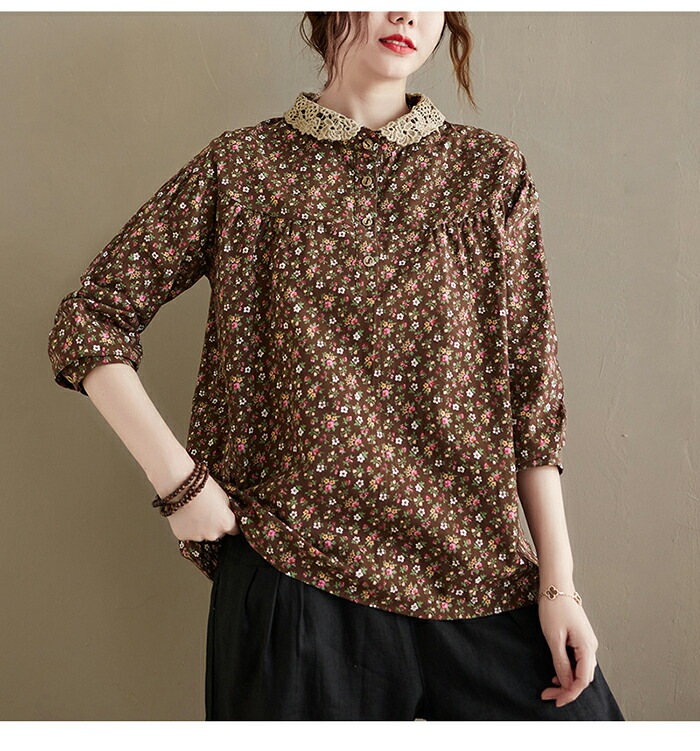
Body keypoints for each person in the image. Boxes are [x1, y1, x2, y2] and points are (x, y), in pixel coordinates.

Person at [47, 11, 625, 721]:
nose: (407, 13)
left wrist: (558, 584)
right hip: (295, 575)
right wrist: (179, 484)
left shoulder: (489, 172)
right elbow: (90, 319)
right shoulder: (244, 167)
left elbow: (533, 393)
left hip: (477, 571)